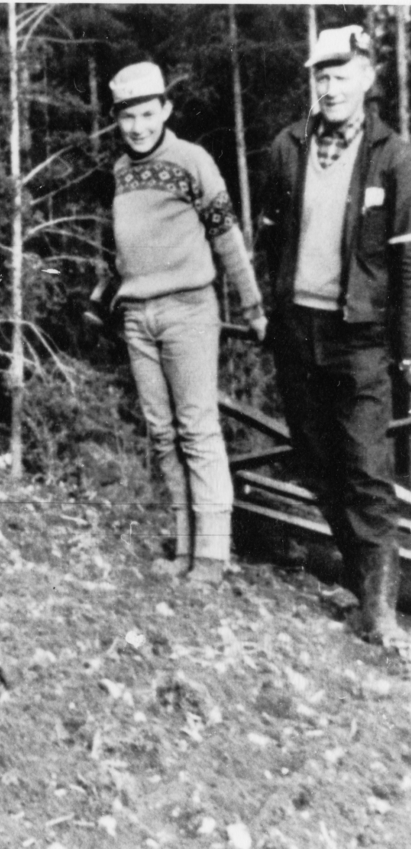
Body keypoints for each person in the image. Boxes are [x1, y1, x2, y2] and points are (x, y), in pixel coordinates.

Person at [258, 26, 411, 647]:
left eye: (342, 74)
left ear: (368, 78)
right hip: (299, 329)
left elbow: (406, 265)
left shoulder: (393, 156)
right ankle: (361, 588)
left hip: (361, 336)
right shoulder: (287, 148)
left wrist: (406, 350)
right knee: (316, 461)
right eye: (321, 75)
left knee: (367, 469)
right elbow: (269, 235)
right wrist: (274, 308)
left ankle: (379, 613)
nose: (330, 87)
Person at [104, 61, 267, 583]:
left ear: (166, 110)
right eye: (127, 117)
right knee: (161, 434)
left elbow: (227, 238)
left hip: (189, 312)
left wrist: (254, 307)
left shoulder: (193, 161)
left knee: (197, 429)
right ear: (117, 119)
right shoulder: (121, 171)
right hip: (137, 316)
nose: (138, 127)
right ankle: (185, 549)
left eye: (147, 114)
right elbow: (133, 245)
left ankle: (213, 557)